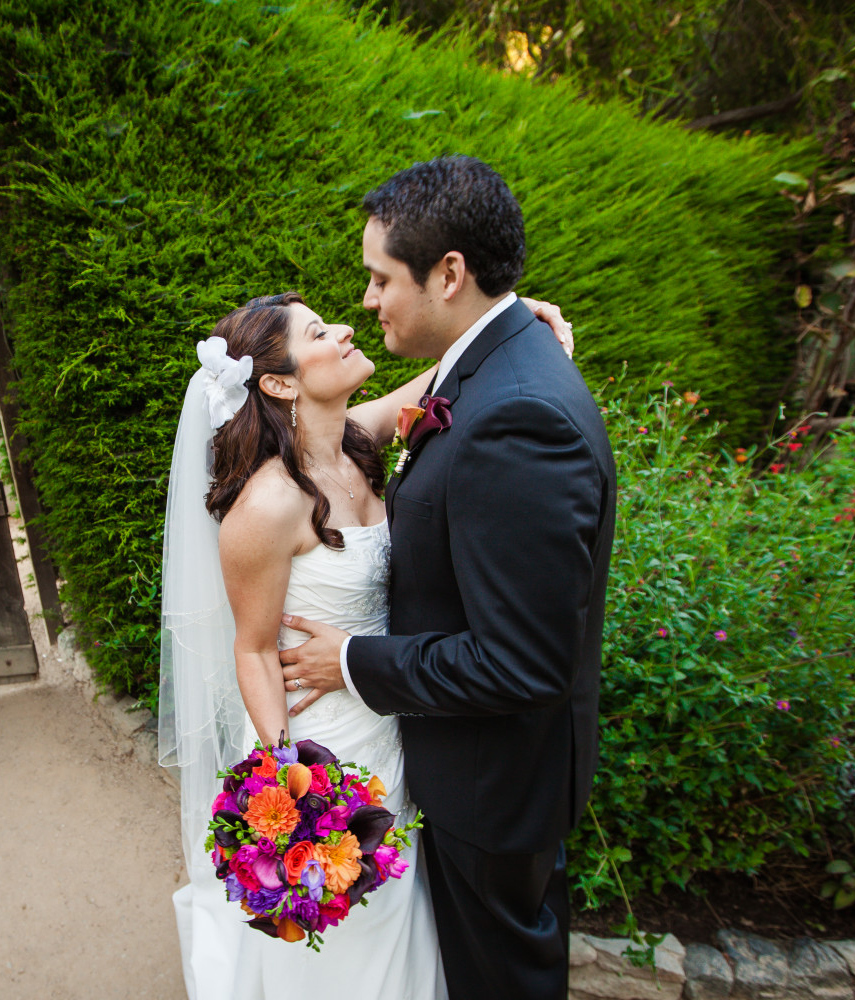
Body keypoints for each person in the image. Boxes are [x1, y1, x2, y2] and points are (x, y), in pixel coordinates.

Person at [158, 214, 577, 995]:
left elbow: (445, 374)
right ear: (280, 382)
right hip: (328, 743)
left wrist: (522, 321)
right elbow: (251, 650)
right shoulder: (264, 509)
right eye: (320, 331)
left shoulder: (358, 440)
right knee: (349, 936)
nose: (347, 325)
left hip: (397, 721)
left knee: (410, 923)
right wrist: (294, 783)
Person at [278, 157, 616, 1000]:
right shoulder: (490, 371)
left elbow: (522, 663)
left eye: (379, 277)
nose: (366, 302)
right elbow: (332, 437)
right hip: (469, 774)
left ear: (450, 275)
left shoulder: (518, 416)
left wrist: (352, 660)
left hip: (493, 792)